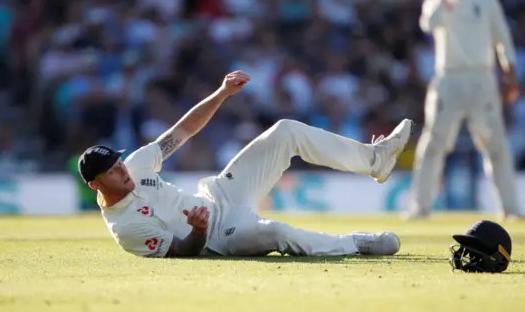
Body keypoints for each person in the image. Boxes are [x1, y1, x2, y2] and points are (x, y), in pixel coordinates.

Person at [80, 70, 414, 258]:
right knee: (277, 232)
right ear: (96, 184)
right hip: (219, 236)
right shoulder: (126, 229)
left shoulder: (137, 165)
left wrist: (222, 93)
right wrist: (198, 229)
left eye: (119, 163)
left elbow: (183, 130)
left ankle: (375, 160)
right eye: (112, 171)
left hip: (220, 194)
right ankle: (357, 244)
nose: (123, 171)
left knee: (285, 131)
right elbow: (183, 254)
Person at [406, 0, 524, 220]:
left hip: (482, 78)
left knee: (495, 143)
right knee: (433, 142)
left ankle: (510, 208)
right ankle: (419, 206)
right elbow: (428, 24)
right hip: (448, 78)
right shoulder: (438, 2)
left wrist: (510, 74)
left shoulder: (486, 1)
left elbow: (502, 39)